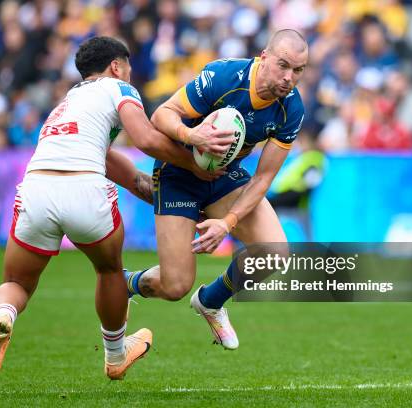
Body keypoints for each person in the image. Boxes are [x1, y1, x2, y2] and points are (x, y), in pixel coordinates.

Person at [0, 36, 230, 385]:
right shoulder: (119, 90)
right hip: (85, 189)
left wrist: (189, 211)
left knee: (16, 282)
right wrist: (195, 161)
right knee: (109, 271)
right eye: (128, 68)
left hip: (36, 188)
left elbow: (136, 181)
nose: (130, 75)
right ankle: (115, 355)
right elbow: (146, 139)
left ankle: (4, 315)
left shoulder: (66, 106)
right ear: (115, 66)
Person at [124, 29, 308, 350]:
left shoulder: (291, 109)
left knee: (275, 253)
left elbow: (263, 179)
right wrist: (193, 137)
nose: (289, 78)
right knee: (175, 284)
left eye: (298, 71)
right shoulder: (224, 76)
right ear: (263, 58)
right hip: (177, 172)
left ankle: (210, 301)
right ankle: (125, 282)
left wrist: (228, 222)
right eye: (283, 66)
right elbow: (162, 114)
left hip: (223, 175)